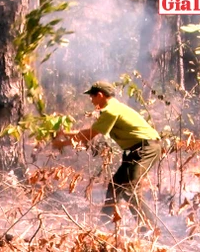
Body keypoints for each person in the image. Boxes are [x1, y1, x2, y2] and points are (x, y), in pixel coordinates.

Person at [52, 81, 161, 231]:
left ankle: (149, 228)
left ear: (100, 95)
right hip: (136, 149)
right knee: (115, 185)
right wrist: (64, 133)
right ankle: (104, 224)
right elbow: (90, 132)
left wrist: (62, 144)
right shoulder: (112, 108)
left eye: (92, 96)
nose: (91, 100)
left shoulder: (111, 111)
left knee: (129, 187)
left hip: (146, 148)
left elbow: (89, 135)